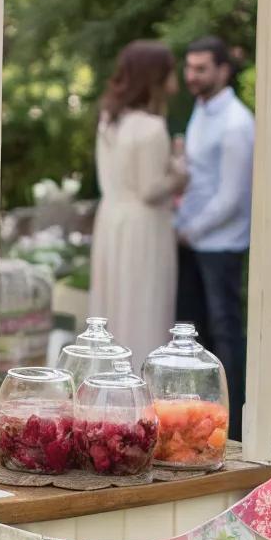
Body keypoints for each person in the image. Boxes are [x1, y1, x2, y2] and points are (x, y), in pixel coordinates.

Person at [176, 36, 255, 440]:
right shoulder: (200, 109)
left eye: (201, 68)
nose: (192, 76)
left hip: (220, 245)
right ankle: (197, 426)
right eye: (189, 67)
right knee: (192, 336)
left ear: (223, 70)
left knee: (225, 337)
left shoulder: (237, 123)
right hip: (192, 240)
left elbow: (231, 197)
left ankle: (236, 429)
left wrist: (189, 230)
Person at [89, 41, 186, 368]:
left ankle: (108, 377)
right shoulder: (152, 127)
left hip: (112, 219)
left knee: (115, 304)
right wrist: (179, 175)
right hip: (143, 225)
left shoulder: (109, 120)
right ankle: (140, 373)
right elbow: (150, 189)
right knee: (144, 304)